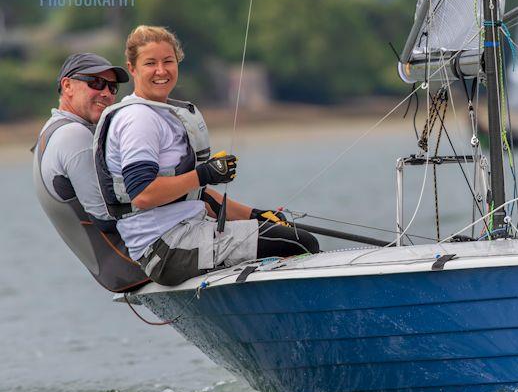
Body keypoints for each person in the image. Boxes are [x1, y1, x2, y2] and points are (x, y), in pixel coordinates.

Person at [93, 25, 319, 286]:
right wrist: (204, 174)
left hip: (187, 233)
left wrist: (256, 214)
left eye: (168, 61)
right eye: (150, 63)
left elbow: (195, 195)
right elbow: (143, 194)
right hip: (168, 249)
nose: (161, 71)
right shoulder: (139, 119)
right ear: (132, 69)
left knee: (284, 233)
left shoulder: (159, 113)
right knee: (298, 243)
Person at [33, 53, 149, 292]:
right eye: (95, 83)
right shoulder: (73, 136)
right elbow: (107, 218)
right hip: (132, 264)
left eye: (112, 86)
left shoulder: (51, 131)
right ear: (67, 86)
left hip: (117, 268)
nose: (106, 93)